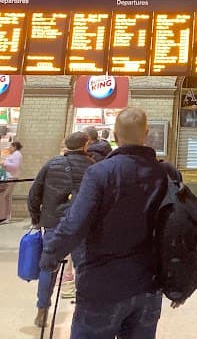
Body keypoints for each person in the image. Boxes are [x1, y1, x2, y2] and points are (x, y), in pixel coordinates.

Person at [40, 107, 168, 339]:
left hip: (103, 285)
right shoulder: (165, 174)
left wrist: (51, 254)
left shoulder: (99, 173)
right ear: (146, 134)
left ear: (115, 135)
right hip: (149, 286)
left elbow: (75, 224)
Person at [28, 131, 94, 328]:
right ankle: (82, 311)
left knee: (48, 266)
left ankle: (42, 310)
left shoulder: (52, 164)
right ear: (86, 145)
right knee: (83, 269)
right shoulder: (93, 167)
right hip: (81, 225)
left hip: (53, 223)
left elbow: (34, 193)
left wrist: (36, 217)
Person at [0, 140, 23, 222]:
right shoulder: (15, 155)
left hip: (11, 178)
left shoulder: (17, 154)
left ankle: (4, 216)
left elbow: (15, 166)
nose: (9, 148)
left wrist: (4, 163)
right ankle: (6, 216)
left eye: (11, 146)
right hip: (10, 177)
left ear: (15, 147)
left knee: (4, 196)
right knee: (7, 197)